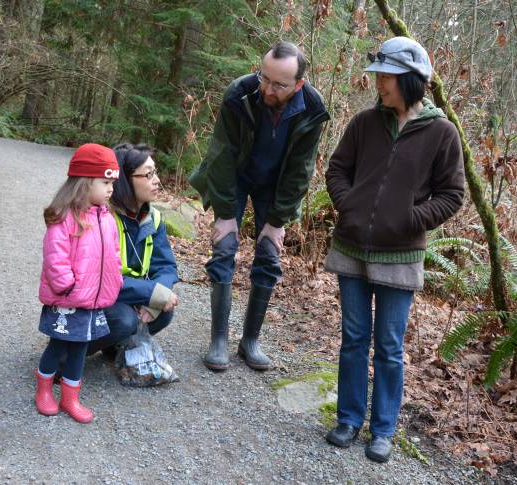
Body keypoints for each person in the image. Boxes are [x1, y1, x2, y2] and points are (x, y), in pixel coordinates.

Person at [324, 37, 465, 462]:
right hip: (351, 247)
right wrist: (349, 206)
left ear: (410, 80)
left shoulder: (442, 133)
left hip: (401, 257)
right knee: (353, 339)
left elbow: (452, 194)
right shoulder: (365, 122)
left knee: (387, 346)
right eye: (379, 75)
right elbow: (337, 169)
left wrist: (410, 219)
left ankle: (382, 429)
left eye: (385, 76)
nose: (379, 83)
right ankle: (348, 419)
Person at [189, 41, 329, 372]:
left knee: (268, 252)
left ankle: (250, 341)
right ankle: (219, 340)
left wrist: (277, 221)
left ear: (298, 84)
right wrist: (225, 215)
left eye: (279, 84)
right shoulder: (240, 92)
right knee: (224, 247)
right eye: (264, 77)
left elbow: (300, 170)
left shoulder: (312, 107)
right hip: (235, 176)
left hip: (275, 184)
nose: (267, 88)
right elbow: (221, 155)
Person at [34, 143, 123, 424]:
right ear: (84, 183)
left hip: (93, 301)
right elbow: (55, 255)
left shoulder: (107, 218)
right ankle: (44, 391)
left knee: (80, 350)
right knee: (58, 346)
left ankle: (70, 398)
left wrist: (116, 278)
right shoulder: (66, 217)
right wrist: (66, 285)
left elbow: (114, 254)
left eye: (112, 183)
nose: (110, 189)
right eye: (105, 182)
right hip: (69, 299)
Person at [86, 143, 179, 359]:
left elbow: (165, 266)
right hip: (96, 296)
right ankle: (65, 356)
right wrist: (151, 293)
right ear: (126, 180)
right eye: (148, 175)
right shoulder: (102, 218)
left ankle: (114, 347)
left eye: (155, 173)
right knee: (124, 319)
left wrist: (159, 296)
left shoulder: (152, 218)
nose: (157, 180)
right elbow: (101, 279)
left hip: (128, 293)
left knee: (163, 312)